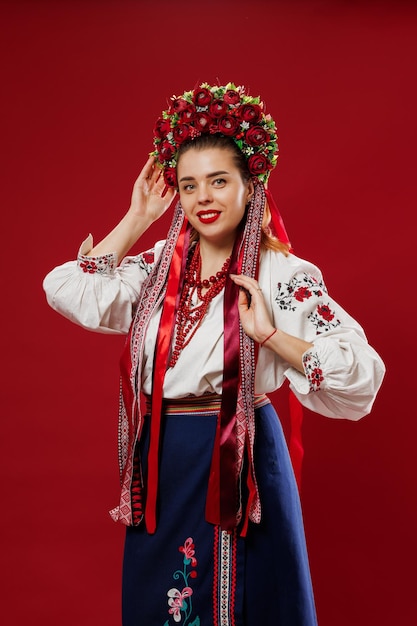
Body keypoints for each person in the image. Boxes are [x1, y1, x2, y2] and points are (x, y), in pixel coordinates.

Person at [43, 82, 385, 626]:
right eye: (188, 185)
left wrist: (271, 335)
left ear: (252, 186)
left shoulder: (282, 275)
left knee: (247, 603)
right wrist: (136, 220)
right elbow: (67, 291)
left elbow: (360, 375)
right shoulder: (157, 268)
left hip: (240, 458)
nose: (203, 198)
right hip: (164, 463)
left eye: (219, 181)